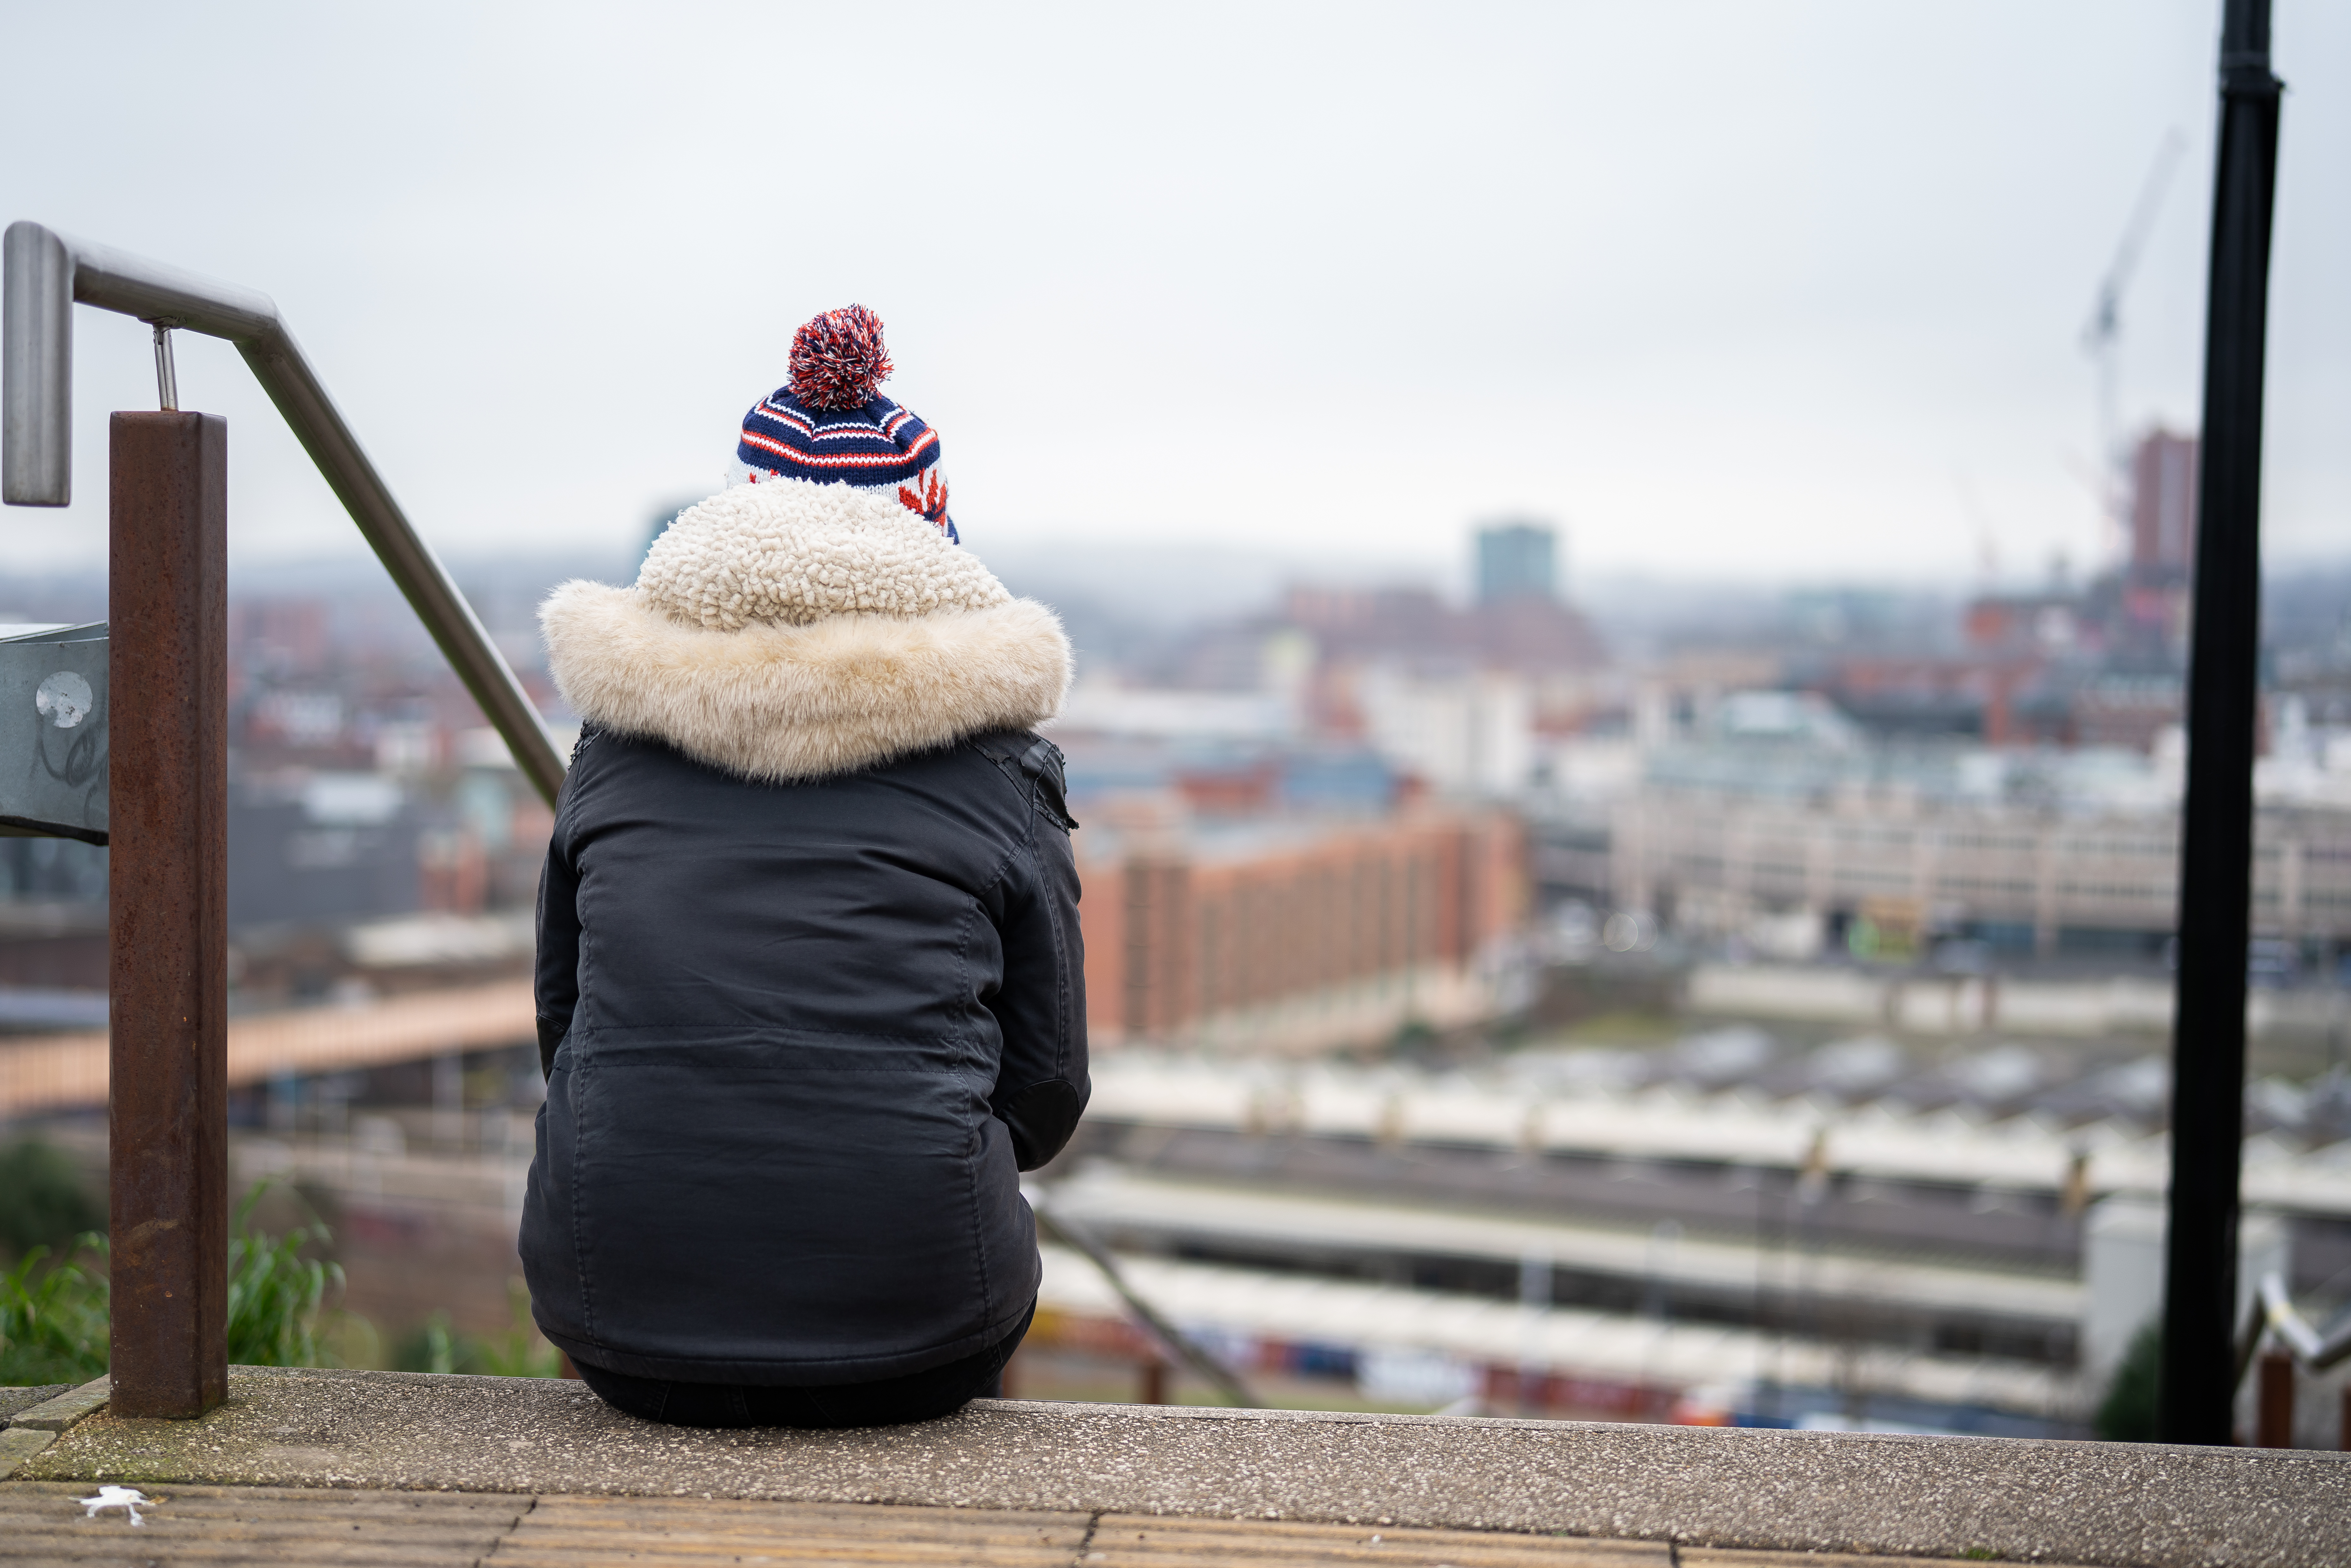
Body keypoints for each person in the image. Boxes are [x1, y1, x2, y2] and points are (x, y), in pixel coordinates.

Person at [520, 305, 1086, 1429]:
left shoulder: (615, 750)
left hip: (617, 1320)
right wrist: (911, 1158)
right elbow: (1045, 1087)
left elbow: (562, 1025)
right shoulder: (999, 772)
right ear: (932, 547)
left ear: (737, 528)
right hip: (925, 1326)